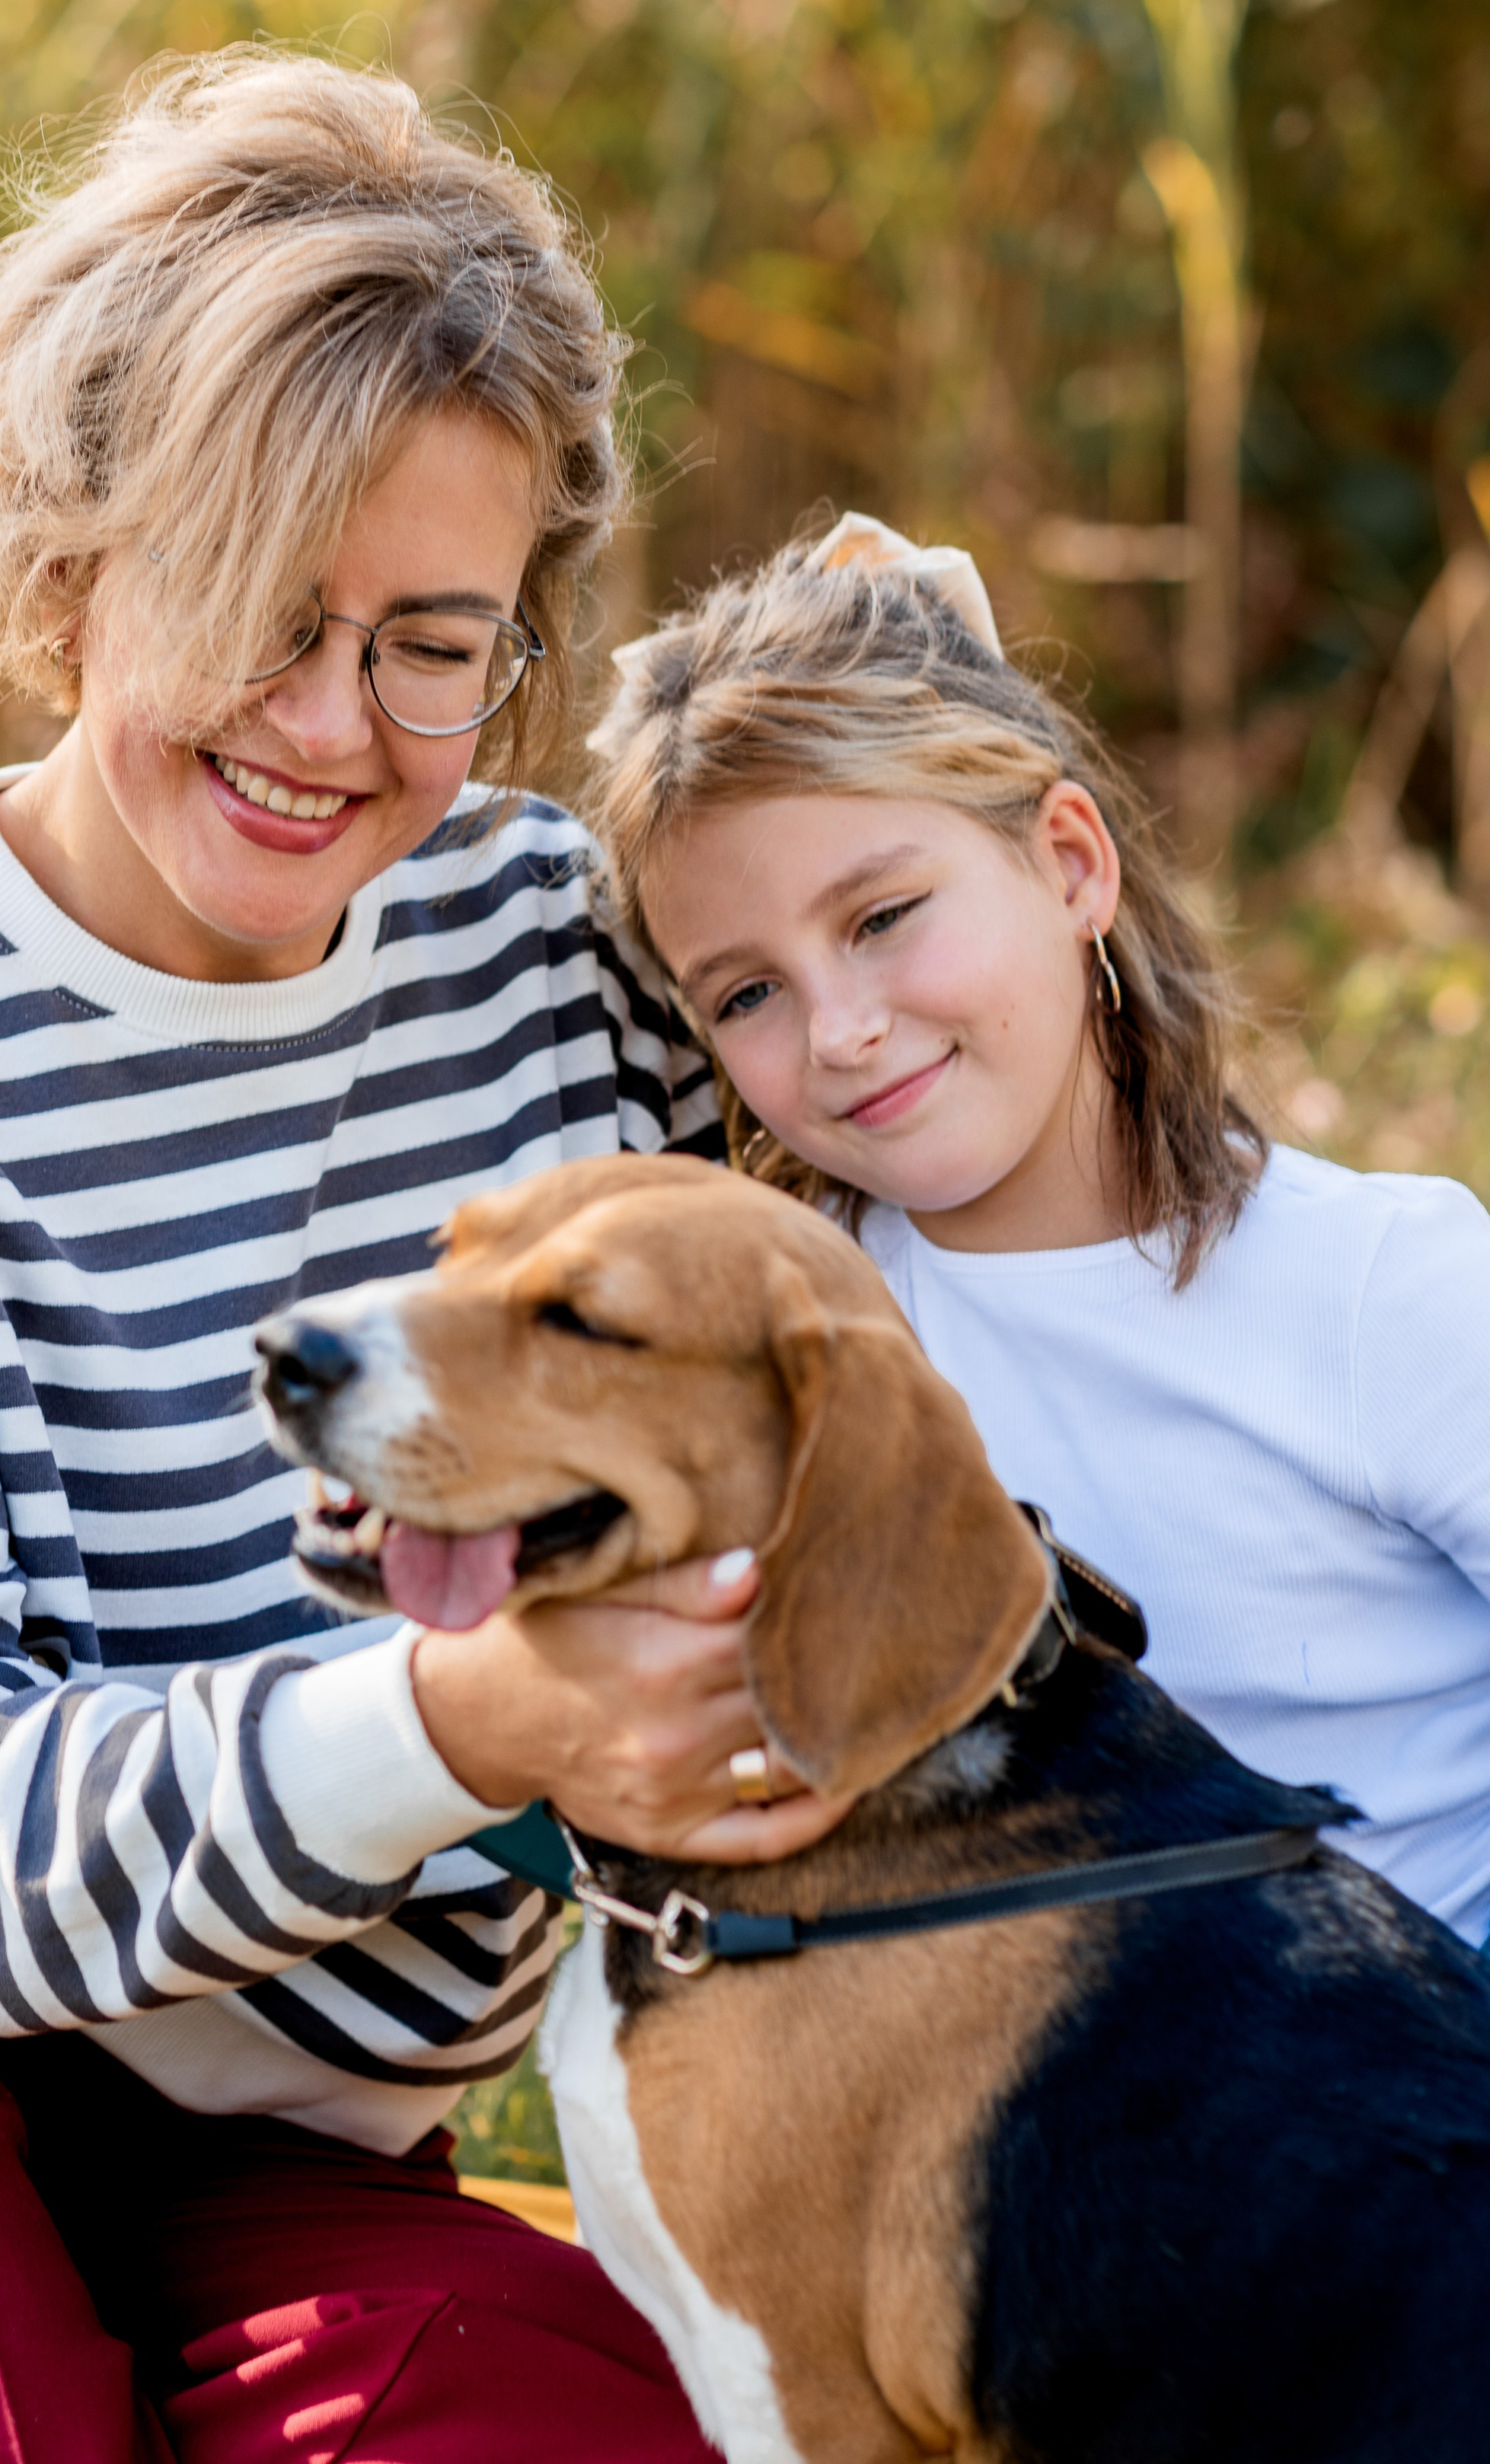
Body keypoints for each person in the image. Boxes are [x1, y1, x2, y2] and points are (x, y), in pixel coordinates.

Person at [0, 55, 843, 2464]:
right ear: (66, 568)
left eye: (433, 648)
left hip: (287, 2102)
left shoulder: (581, 962)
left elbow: (969, 1207)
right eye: (263, 614)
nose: (332, 729)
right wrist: (477, 1719)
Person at [585, 515, 1490, 1950]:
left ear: (1071, 865)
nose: (842, 1028)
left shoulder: (1383, 1291)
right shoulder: (819, 1355)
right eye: (744, 995)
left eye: (883, 913)